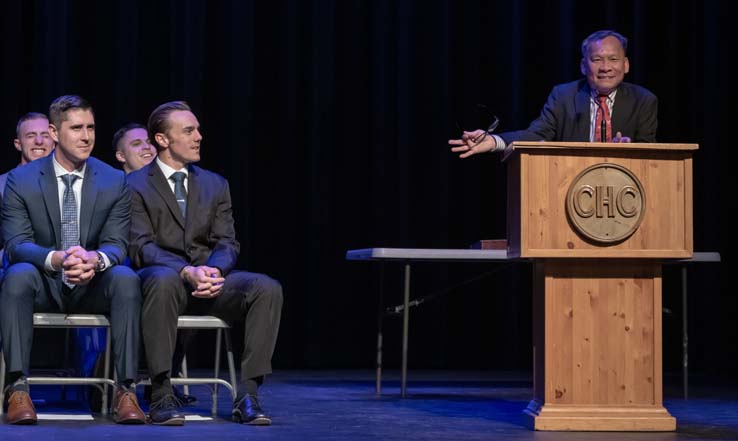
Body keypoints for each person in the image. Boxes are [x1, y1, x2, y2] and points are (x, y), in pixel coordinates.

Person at [127, 101, 282, 426]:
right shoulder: (134, 185)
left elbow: (227, 241)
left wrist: (214, 270)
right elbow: (140, 245)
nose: (199, 136)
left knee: (266, 288)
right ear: (162, 140)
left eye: (197, 129)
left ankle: (249, 394)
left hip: (209, 282)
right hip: (165, 284)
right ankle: (161, 393)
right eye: (188, 130)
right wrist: (186, 270)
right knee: (162, 279)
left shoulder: (215, 184)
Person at [0, 95, 145, 425]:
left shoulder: (113, 180)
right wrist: (57, 258)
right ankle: (18, 387)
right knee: (17, 273)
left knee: (125, 277)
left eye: (91, 127)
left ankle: (125, 389)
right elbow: (16, 243)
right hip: (45, 279)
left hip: (91, 281)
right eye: (76, 128)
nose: (86, 136)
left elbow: (117, 243)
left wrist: (95, 259)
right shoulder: (21, 181)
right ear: (53, 132)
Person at [449, 30, 658, 157]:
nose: (605, 67)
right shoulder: (564, 95)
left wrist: (631, 150)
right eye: (596, 60)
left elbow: (651, 152)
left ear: (626, 64)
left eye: (613, 59)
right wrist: (494, 141)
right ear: (584, 66)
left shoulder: (644, 100)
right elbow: (536, 135)